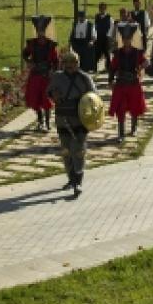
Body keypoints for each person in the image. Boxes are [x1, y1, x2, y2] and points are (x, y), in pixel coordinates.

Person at [48, 49, 98, 198]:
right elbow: (48, 92)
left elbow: (94, 97)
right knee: (66, 151)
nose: (69, 65)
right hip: (62, 118)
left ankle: (78, 182)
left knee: (78, 150)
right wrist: (53, 95)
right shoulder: (57, 77)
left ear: (77, 63)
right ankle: (71, 179)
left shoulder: (85, 78)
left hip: (80, 119)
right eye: (67, 62)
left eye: (73, 62)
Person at [109, 21, 147, 143]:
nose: (126, 41)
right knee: (120, 109)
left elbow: (146, 62)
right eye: (124, 39)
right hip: (121, 83)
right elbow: (113, 67)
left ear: (131, 39)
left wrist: (142, 66)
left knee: (134, 107)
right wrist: (110, 80)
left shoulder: (137, 52)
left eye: (128, 39)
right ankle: (121, 134)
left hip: (133, 83)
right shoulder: (118, 53)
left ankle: (134, 129)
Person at [22, 14, 59, 131]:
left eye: (42, 31)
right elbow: (25, 54)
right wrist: (29, 61)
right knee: (35, 99)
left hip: (46, 75)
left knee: (46, 100)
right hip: (35, 75)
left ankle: (47, 123)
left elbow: (55, 61)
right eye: (39, 31)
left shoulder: (50, 45)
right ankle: (40, 121)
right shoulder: (32, 43)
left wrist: (54, 73)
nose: (40, 33)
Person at [93, 2, 114, 76]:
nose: (102, 10)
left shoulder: (109, 17)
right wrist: (94, 36)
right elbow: (94, 27)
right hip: (98, 38)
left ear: (105, 9)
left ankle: (109, 69)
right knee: (97, 54)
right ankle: (94, 68)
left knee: (107, 54)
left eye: (103, 8)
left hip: (106, 38)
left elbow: (112, 27)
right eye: (100, 8)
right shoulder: (97, 17)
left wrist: (108, 36)